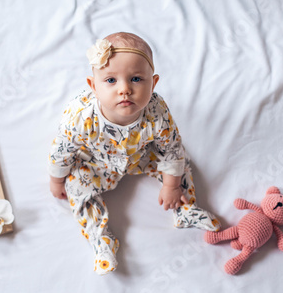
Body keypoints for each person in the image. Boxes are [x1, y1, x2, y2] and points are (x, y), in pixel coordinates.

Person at [48, 32, 220, 275]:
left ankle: (185, 209)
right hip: (95, 162)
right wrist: (57, 179)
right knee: (77, 189)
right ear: (93, 85)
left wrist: (171, 186)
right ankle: (102, 241)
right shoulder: (80, 117)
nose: (125, 90)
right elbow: (61, 150)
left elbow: (171, 148)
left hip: (141, 154)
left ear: (154, 83)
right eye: (110, 81)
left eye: (136, 79)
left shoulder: (156, 111)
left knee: (182, 164)